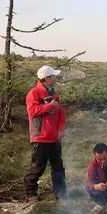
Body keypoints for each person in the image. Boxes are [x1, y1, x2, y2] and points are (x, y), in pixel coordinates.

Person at [24, 65, 67, 201]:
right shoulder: (34, 93)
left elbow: (62, 113)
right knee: (37, 167)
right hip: (41, 138)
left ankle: (61, 193)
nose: (56, 78)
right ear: (47, 78)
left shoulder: (54, 93)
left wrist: (60, 129)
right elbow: (33, 112)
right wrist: (50, 106)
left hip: (54, 138)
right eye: (54, 76)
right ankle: (30, 194)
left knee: (58, 167)